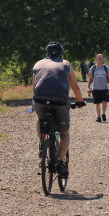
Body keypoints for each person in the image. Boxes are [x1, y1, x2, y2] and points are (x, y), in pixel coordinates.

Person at [32, 41, 85, 177]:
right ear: (61, 53)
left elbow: (34, 87)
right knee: (64, 133)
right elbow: (75, 87)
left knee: (40, 118)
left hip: (40, 100)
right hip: (60, 102)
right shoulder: (66, 64)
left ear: (47, 53)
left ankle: (43, 143)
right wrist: (80, 101)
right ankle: (60, 162)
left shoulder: (38, 64)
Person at [87, 53, 109, 122]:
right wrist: (88, 87)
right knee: (97, 103)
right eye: (99, 58)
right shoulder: (93, 68)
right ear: (96, 59)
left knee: (104, 102)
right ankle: (98, 117)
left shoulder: (106, 68)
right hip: (96, 89)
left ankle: (103, 114)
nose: (101, 60)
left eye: (102, 58)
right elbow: (90, 78)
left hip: (104, 88)